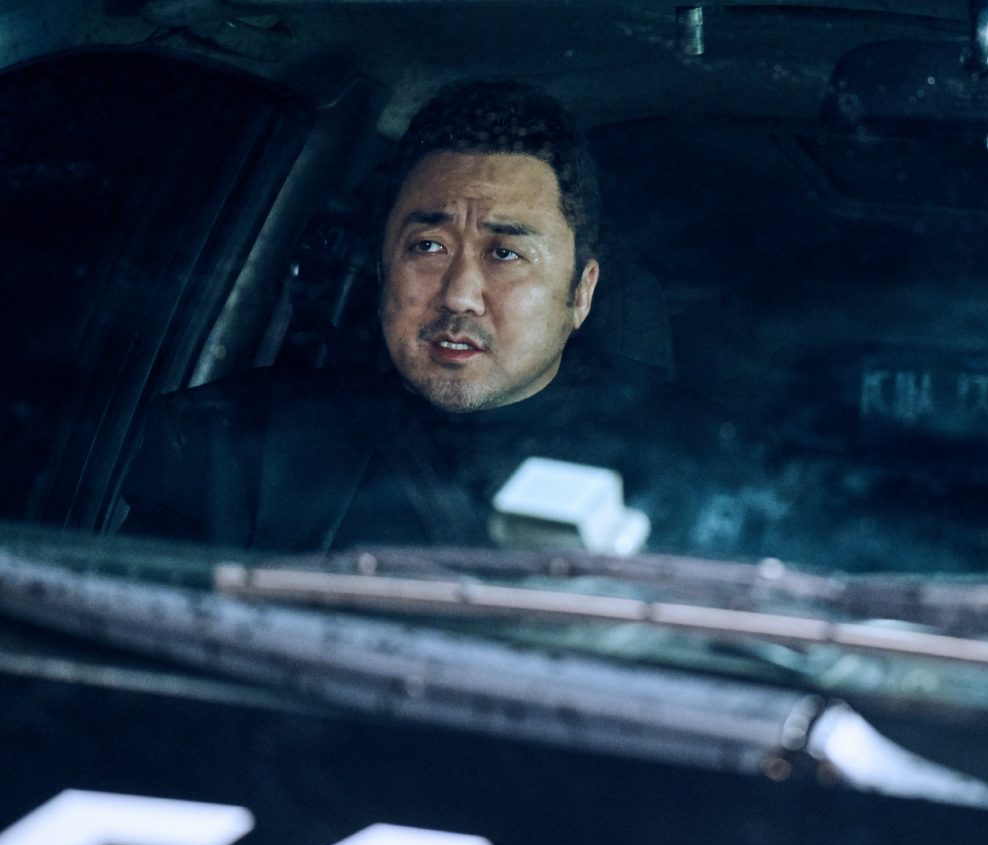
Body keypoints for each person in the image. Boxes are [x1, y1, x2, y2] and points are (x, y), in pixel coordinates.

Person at [121, 80, 762, 554]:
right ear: (383, 266)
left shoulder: (701, 478)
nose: (459, 295)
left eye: (505, 253)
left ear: (581, 292)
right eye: (428, 246)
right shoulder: (228, 447)